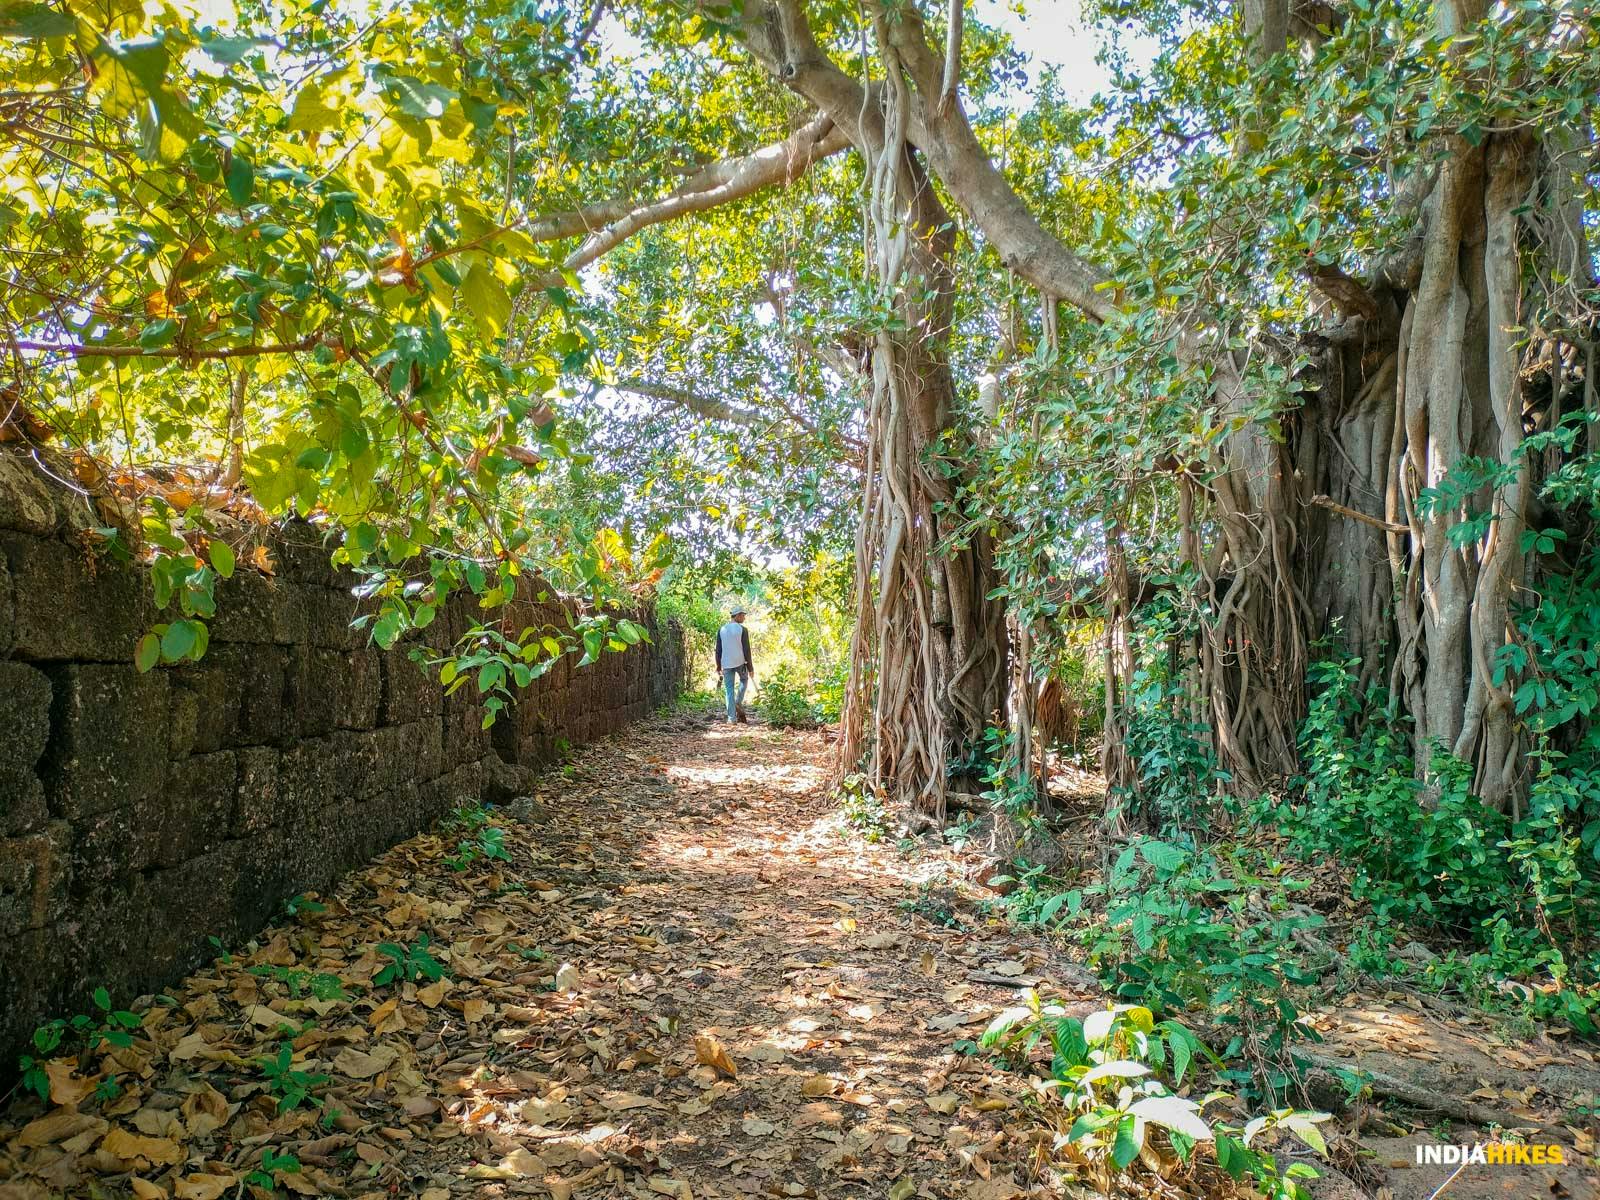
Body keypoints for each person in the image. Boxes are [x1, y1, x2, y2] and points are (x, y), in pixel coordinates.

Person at [714, 605, 754, 723]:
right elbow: (747, 649)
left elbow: (718, 650)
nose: (744, 618)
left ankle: (731, 718)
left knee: (729, 689)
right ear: (737, 616)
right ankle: (738, 702)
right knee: (744, 680)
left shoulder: (722, 629)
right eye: (743, 615)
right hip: (740, 662)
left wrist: (718, 666)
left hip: (726, 663)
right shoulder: (742, 630)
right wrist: (750, 667)